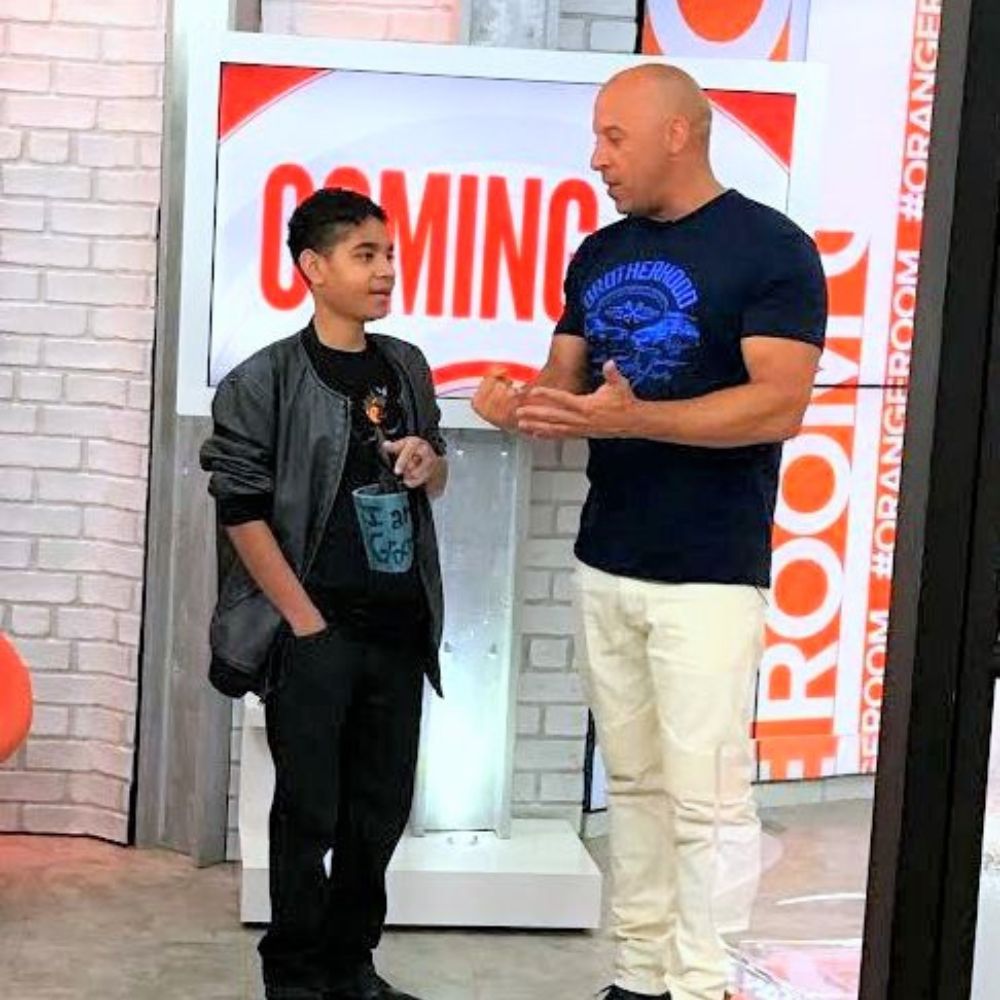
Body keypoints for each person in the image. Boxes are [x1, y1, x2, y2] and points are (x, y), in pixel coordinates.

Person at [473, 64, 827, 1000]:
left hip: (710, 572)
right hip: (608, 558)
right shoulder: (599, 252)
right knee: (631, 786)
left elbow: (779, 405)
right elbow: (564, 390)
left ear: (679, 132)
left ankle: (701, 984)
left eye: (613, 136)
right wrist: (517, 406)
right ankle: (638, 977)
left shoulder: (772, 248)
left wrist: (636, 419)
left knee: (706, 798)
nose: (597, 158)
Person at [201, 188, 448, 1000]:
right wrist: (303, 622)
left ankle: (352, 968)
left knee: (379, 812)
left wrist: (426, 463)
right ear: (313, 267)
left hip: (398, 625)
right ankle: (296, 978)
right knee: (308, 814)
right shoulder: (264, 379)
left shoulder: (405, 365)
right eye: (365, 255)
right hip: (314, 631)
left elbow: (435, 472)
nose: (385, 271)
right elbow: (241, 513)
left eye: (389, 254)